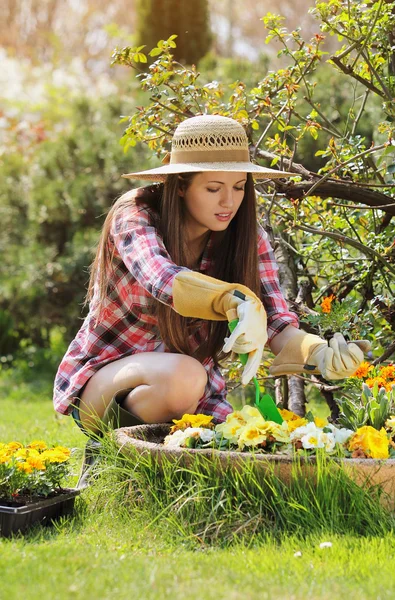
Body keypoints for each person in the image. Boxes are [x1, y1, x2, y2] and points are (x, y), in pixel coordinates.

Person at [53, 115, 369, 484]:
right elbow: (161, 279)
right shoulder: (136, 213)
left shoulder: (246, 239)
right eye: (213, 188)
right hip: (106, 382)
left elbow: (277, 319)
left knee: (242, 451)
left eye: (238, 187)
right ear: (181, 185)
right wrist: (230, 299)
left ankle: (156, 480)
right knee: (186, 375)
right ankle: (108, 461)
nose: (228, 201)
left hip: (194, 395)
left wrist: (317, 353)